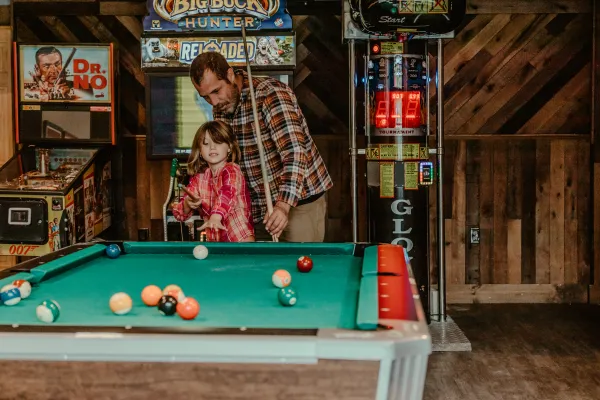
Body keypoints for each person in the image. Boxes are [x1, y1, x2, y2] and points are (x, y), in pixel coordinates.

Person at [189, 51, 333, 242]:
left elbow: (295, 152)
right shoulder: (221, 107)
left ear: (230, 76)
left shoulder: (270, 94)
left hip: (297, 202)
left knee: (297, 266)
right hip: (258, 208)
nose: (213, 102)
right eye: (206, 97)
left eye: (216, 91)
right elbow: (225, 160)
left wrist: (282, 205)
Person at [172, 120, 255, 242]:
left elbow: (227, 194)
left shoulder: (232, 170)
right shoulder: (199, 178)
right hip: (217, 246)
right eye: (206, 143)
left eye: (218, 142)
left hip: (241, 242)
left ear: (229, 147)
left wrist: (215, 217)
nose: (212, 147)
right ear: (200, 150)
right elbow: (179, 214)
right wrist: (187, 204)